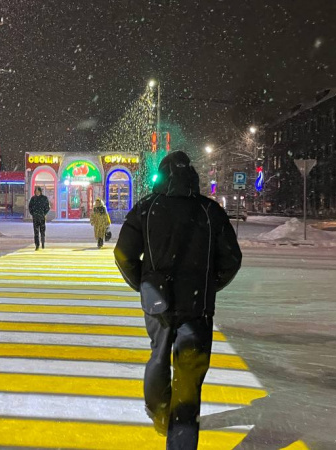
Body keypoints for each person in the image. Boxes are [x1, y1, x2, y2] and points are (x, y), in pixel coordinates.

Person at [114, 151, 242, 449]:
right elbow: (232, 259)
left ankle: (159, 412)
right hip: (197, 308)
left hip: (158, 302)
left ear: (161, 176)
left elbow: (123, 254)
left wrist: (143, 285)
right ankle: (180, 438)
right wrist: (208, 284)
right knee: (188, 379)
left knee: (158, 355)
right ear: (192, 178)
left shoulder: (146, 208)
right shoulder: (210, 211)